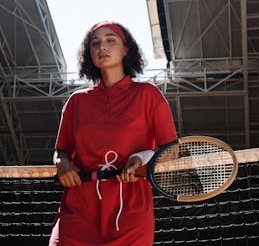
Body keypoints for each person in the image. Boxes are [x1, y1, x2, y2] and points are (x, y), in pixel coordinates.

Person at [49, 21, 177, 246]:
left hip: (130, 207)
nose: (102, 47)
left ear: (126, 49)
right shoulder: (77, 101)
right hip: (79, 206)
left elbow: (171, 151)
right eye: (95, 43)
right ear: (89, 54)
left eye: (111, 40)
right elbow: (61, 151)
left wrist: (140, 159)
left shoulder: (148, 95)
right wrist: (62, 163)